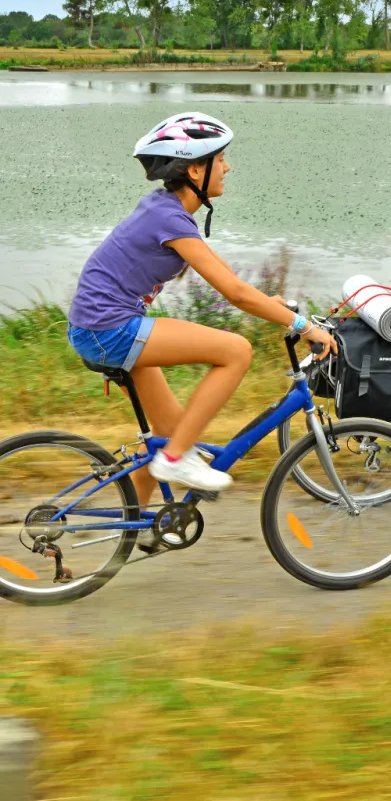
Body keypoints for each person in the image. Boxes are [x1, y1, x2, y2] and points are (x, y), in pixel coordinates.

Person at [67, 111, 335, 519]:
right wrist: (302, 325)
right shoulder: (169, 217)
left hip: (98, 328)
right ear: (195, 168)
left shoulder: (167, 210)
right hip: (110, 330)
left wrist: (270, 303)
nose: (228, 166)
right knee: (236, 351)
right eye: (221, 159)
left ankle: (131, 525)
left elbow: (223, 276)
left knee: (172, 431)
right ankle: (174, 462)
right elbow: (235, 293)